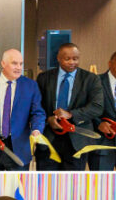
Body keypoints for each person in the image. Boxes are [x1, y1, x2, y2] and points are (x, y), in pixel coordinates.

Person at [34, 43, 103, 171]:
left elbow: (97, 107)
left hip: (76, 141)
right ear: (58, 58)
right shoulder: (44, 78)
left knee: (72, 186)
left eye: (75, 59)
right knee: (45, 184)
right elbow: (37, 106)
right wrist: (48, 119)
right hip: (49, 139)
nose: (72, 62)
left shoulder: (91, 79)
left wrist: (71, 114)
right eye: (67, 59)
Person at [0, 49, 45, 171]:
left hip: (19, 150)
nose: (19, 67)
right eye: (14, 63)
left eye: (21, 64)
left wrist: (36, 129)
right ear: (3, 64)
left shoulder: (31, 86)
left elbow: (38, 113)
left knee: (16, 189)